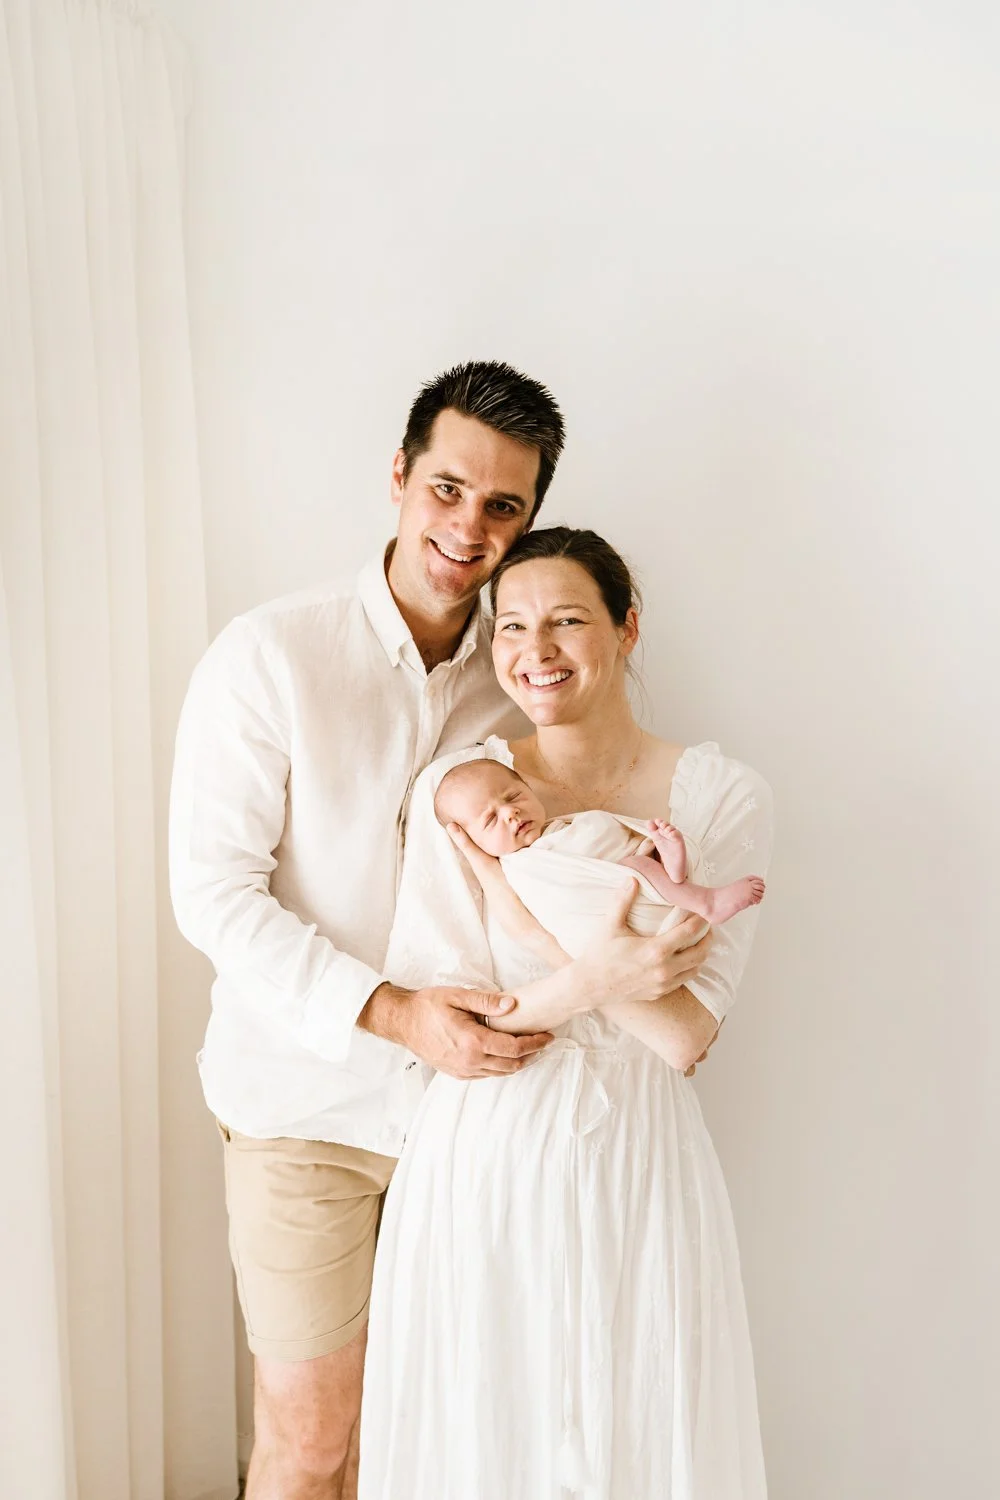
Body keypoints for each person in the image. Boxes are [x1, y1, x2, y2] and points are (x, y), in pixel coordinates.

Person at [168, 365, 714, 1500]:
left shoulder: (525, 678)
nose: (469, 528)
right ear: (401, 478)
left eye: (502, 507)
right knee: (313, 1442)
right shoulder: (270, 656)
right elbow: (213, 895)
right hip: (304, 1112)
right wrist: (394, 1013)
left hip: (469, 1126)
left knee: (448, 1445)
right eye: (449, 489)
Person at [358, 526, 774, 1499]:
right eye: (509, 627)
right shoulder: (459, 794)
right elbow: (455, 1033)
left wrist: (534, 932)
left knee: (637, 1427)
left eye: (565, 621)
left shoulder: (716, 797)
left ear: (626, 629)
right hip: (487, 1150)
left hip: (637, 1154)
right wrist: (601, 974)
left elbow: (682, 1036)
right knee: (492, 1439)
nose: (533, 651)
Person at [433, 755, 766, 925]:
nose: (510, 813)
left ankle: (671, 862)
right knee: (637, 865)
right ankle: (704, 902)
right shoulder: (524, 869)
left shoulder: (558, 827)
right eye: (491, 819)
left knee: (646, 850)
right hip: (622, 887)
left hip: (634, 859)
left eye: (515, 796)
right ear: (471, 843)